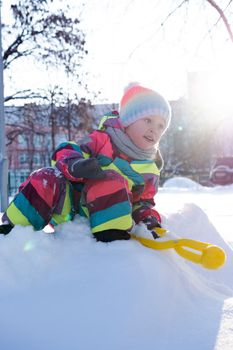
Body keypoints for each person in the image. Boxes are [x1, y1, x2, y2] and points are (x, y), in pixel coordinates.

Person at [0, 82, 171, 242]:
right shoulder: (102, 139)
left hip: (109, 221)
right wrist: (74, 164)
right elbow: (67, 149)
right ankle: (12, 229)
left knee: (112, 179)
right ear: (128, 120)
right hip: (69, 206)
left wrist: (147, 218)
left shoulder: (150, 167)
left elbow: (143, 202)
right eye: (148, 120)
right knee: (46, 177)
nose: (153, 129)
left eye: (161, 126)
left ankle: (112, 236)